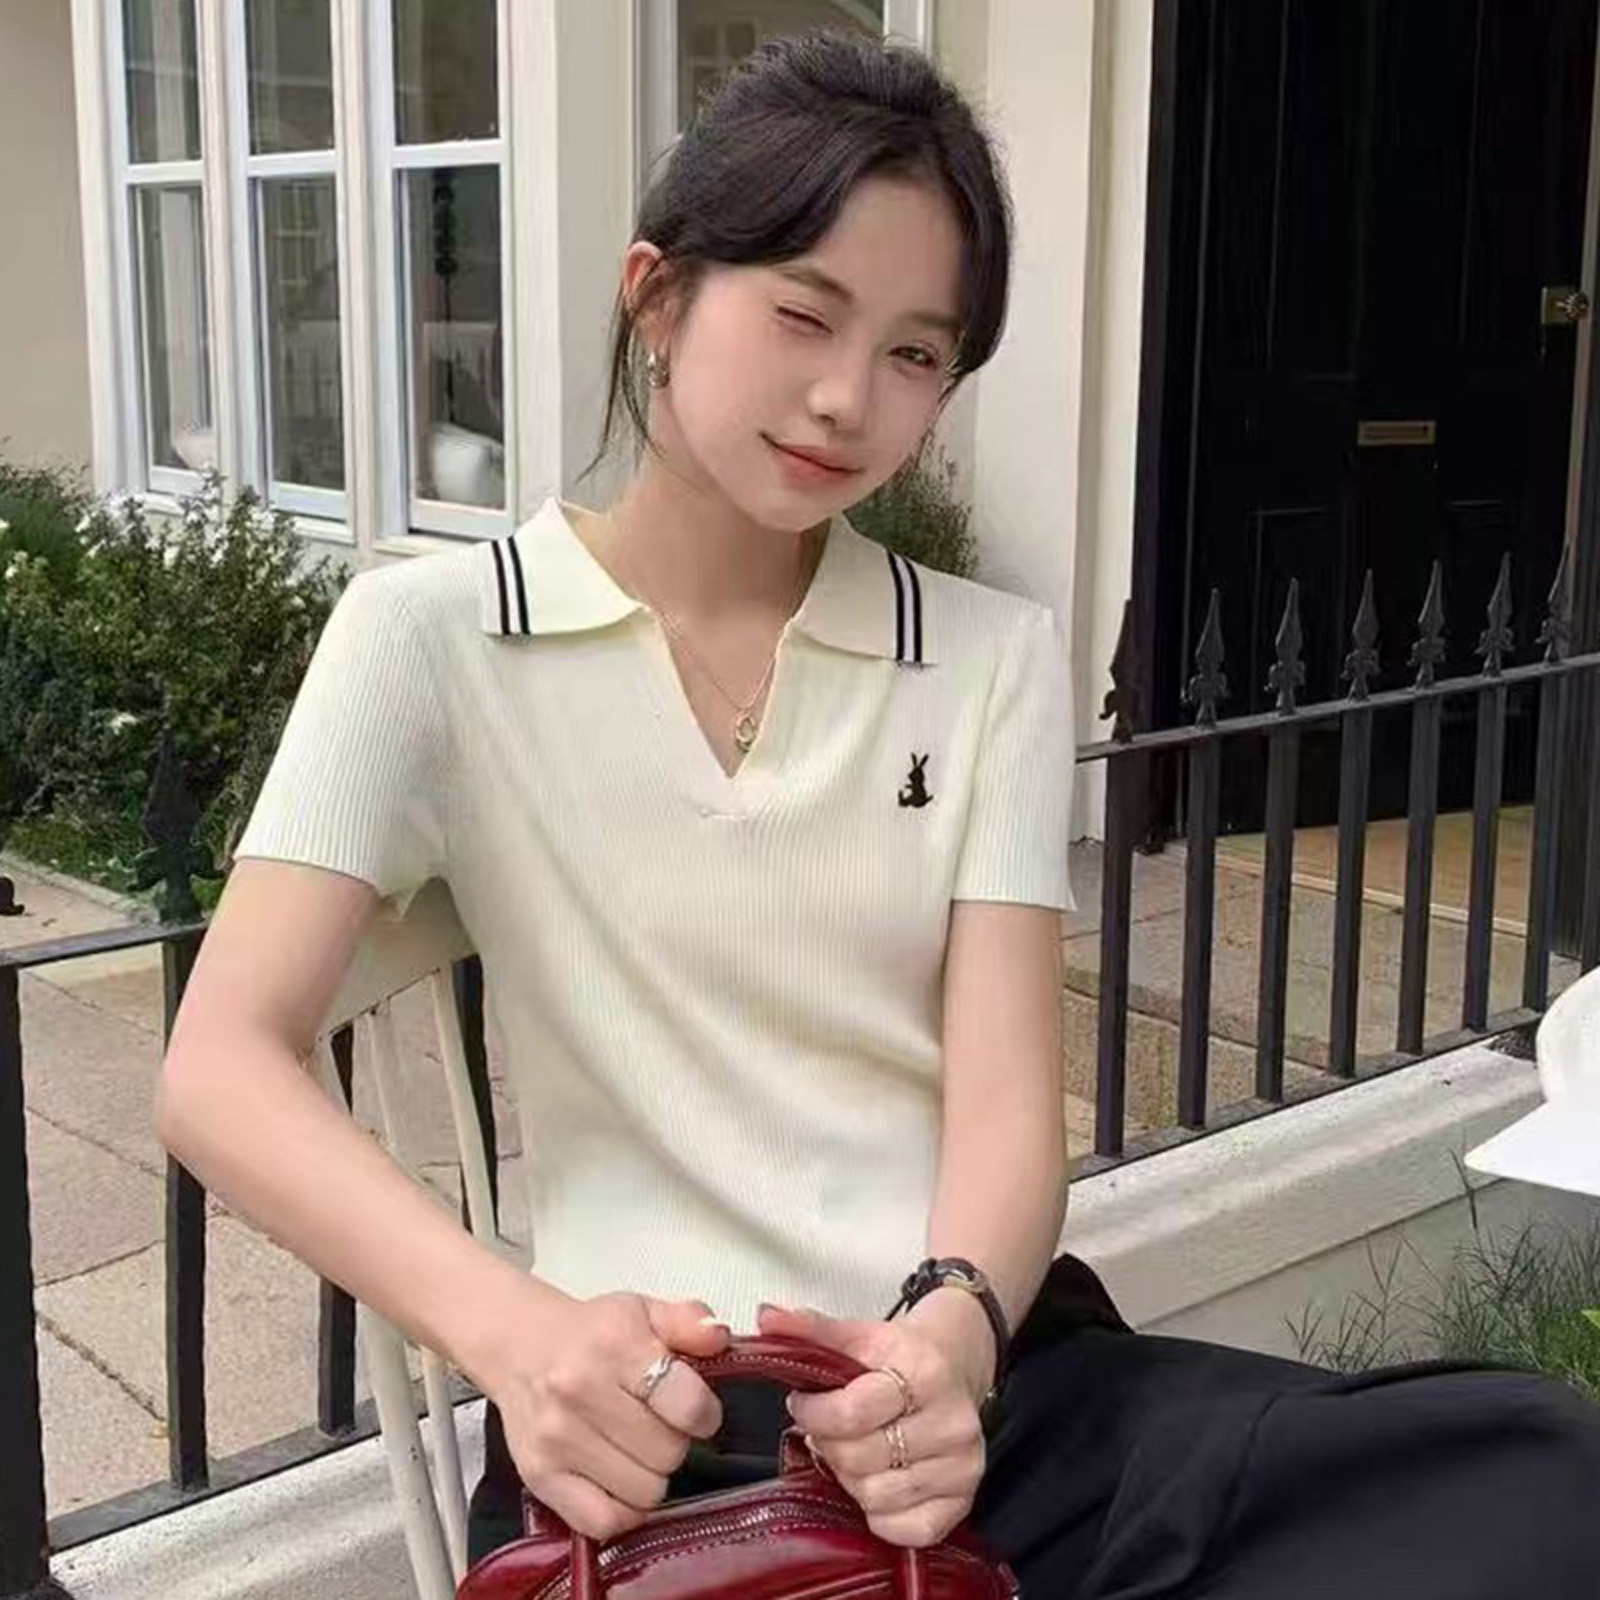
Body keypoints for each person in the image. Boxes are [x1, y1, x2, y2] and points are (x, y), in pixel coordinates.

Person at [156, 30, 1600, 1598]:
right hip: (643, 1430)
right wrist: (513, 1333)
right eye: (803, 313)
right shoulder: (431, 638)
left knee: (1541, 1482)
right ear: (657, 297)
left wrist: (956, 1334)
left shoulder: (985, 658)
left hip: (964, 1396)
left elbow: (1005, 1106)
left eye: (917, 355)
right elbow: (220, 1065)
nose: (848, 398)